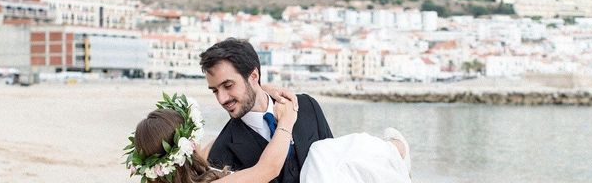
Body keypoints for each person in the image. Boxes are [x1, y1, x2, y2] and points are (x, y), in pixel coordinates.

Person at [125, 92, 411, 183]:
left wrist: (261, 92)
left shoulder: (199, 165)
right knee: (326, 156)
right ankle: (395, 149)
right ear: (186, 144)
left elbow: (209, 145)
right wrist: (287, 120)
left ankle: (392, 150)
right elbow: (268, 168)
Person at [199, 38, 333, 183]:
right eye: (215, 91)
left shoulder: (307, 105)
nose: (222, 99)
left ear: (254, 76)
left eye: (228, 85)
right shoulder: (220, 153)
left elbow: (336, 162)